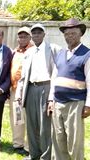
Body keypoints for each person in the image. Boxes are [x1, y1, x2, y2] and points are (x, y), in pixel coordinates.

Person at [15, 23, 61, 160]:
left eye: (39, 32)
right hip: (30, 90)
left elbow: (56, 74)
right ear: (31, 35)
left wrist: (51, 96)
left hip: (45, 88)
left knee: (44, 126)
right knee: (31, 124)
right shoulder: (28, 52)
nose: (36, 35)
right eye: (33, 33)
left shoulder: (53, 49)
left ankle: (46, 156)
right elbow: (23, 76)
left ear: (44, 34)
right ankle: (33, 154)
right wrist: (19, 92)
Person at [48, 18, 90, 160]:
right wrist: (50, 99)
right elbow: (54, 78)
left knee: (74, 142)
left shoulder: (87, 54)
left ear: (80, 34)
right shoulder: (60, 53)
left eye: (73, 33)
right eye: (66, 33)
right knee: (58, 140)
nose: (69, 36)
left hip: (75, 104)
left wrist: (88, 105)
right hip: (57, 103)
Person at [9, 26, 33, 155]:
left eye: (25, 36)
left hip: (29, 90)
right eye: (20, 36)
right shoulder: (15, 52)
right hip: (14, 89)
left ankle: (29, 147)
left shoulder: (34, 51)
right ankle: (18, 144)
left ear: (30, 38)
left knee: (29, 118)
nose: (22, 39)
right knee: (17, 117)